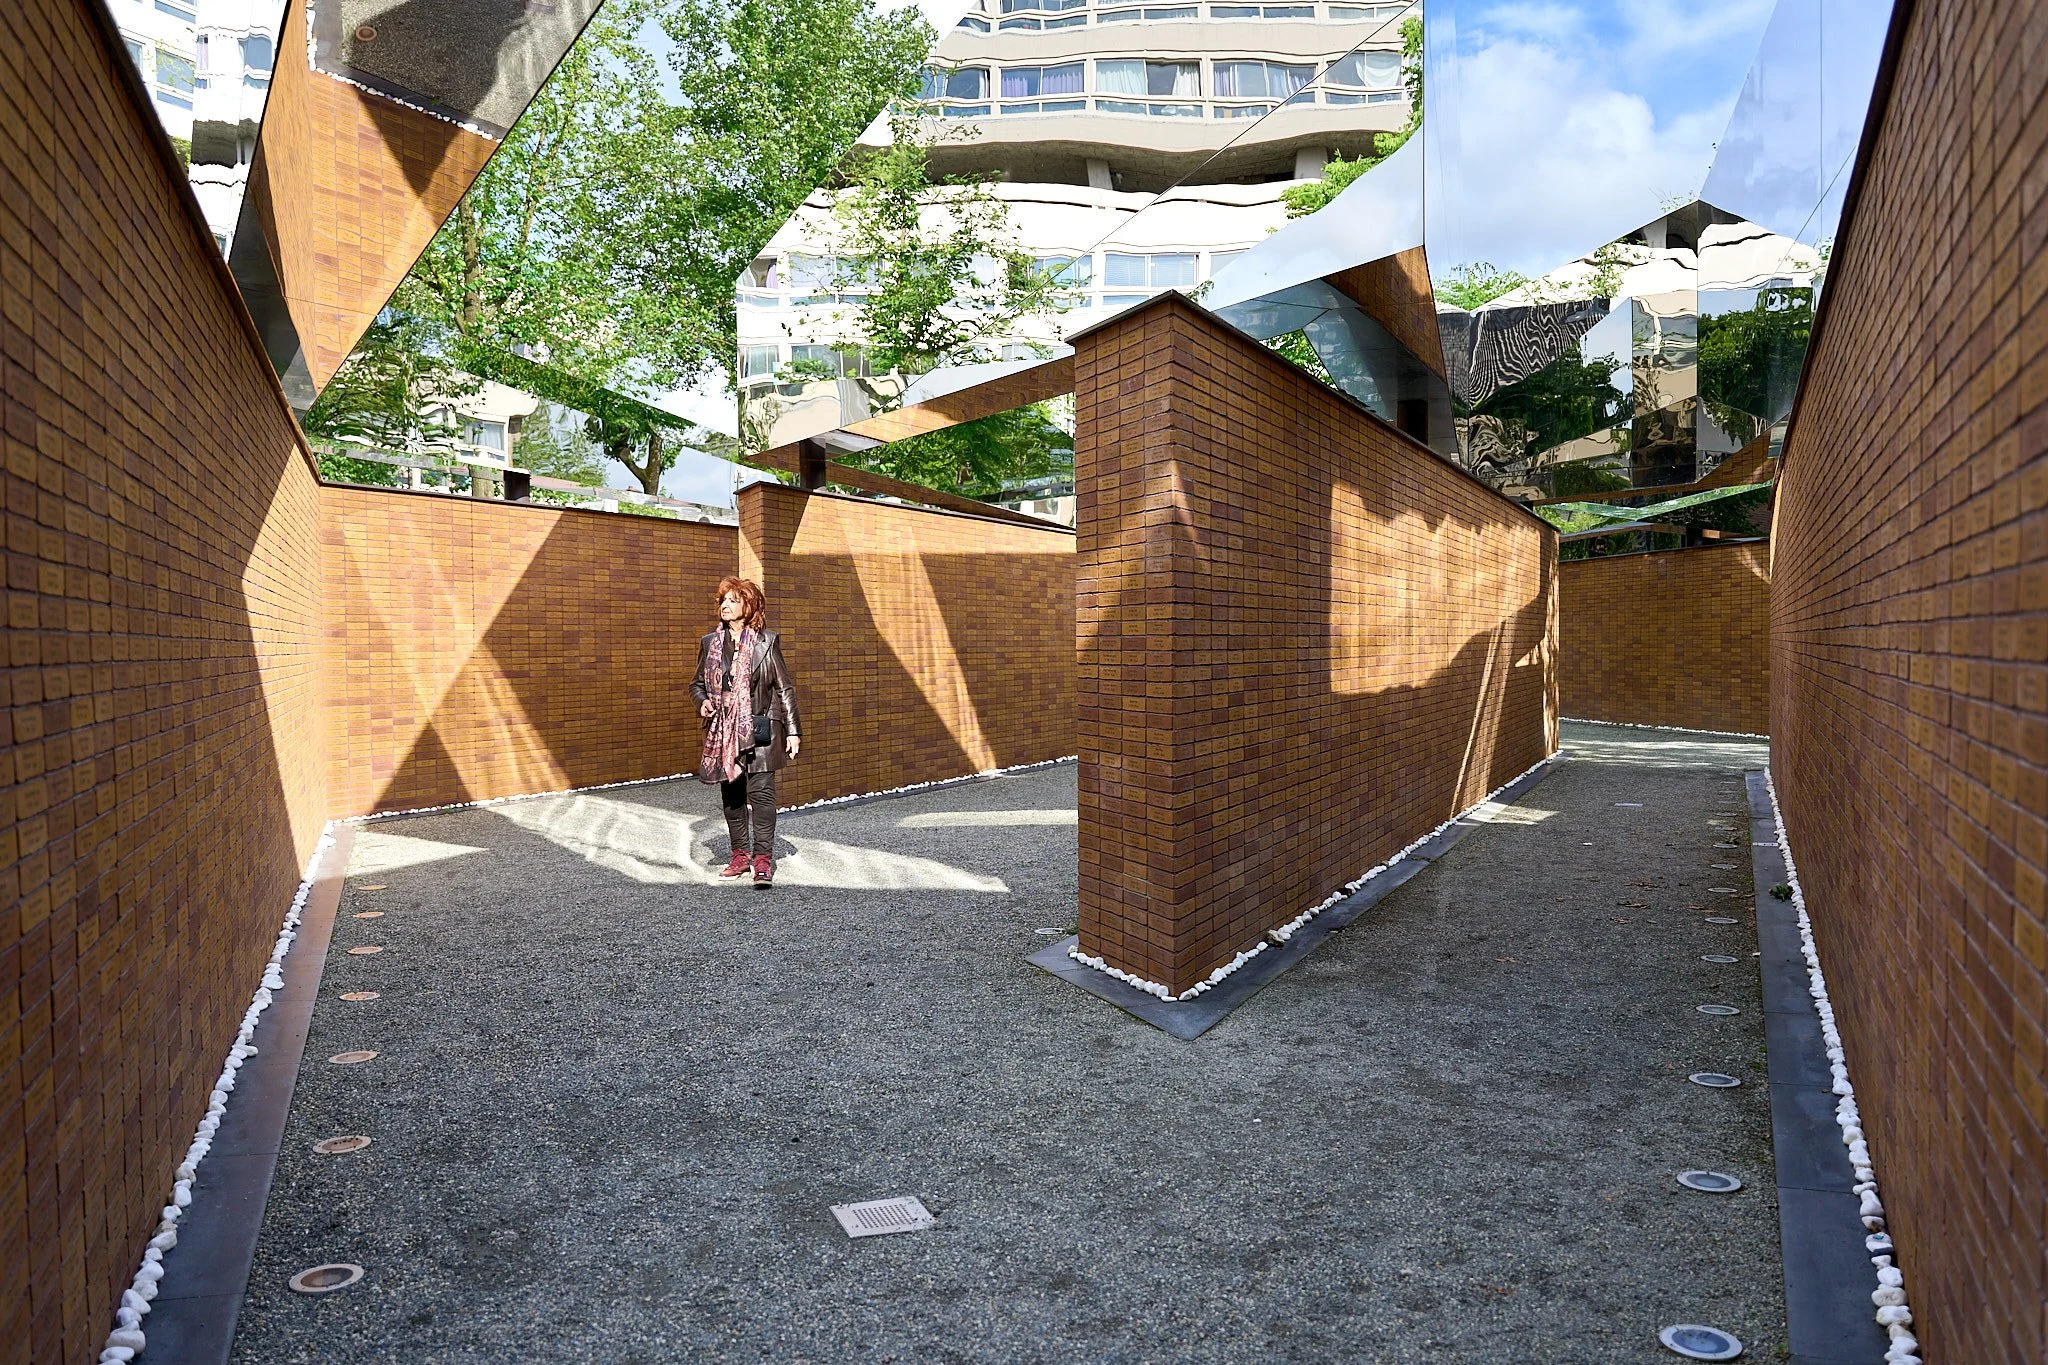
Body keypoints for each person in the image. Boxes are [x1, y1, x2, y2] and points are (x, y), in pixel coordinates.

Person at [691, 577, 801, 887]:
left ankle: (763, 860)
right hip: (724, 732)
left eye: (733, 600)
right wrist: (702, 703)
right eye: (722, 601)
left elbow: (784, 688)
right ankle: (739, 856)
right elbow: (697, 685)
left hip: (761, 729)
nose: (725, 605)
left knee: (762, 795)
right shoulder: (709, 643)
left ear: (749, 606)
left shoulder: (767, 642)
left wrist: (793, 731)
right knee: (733, 795)